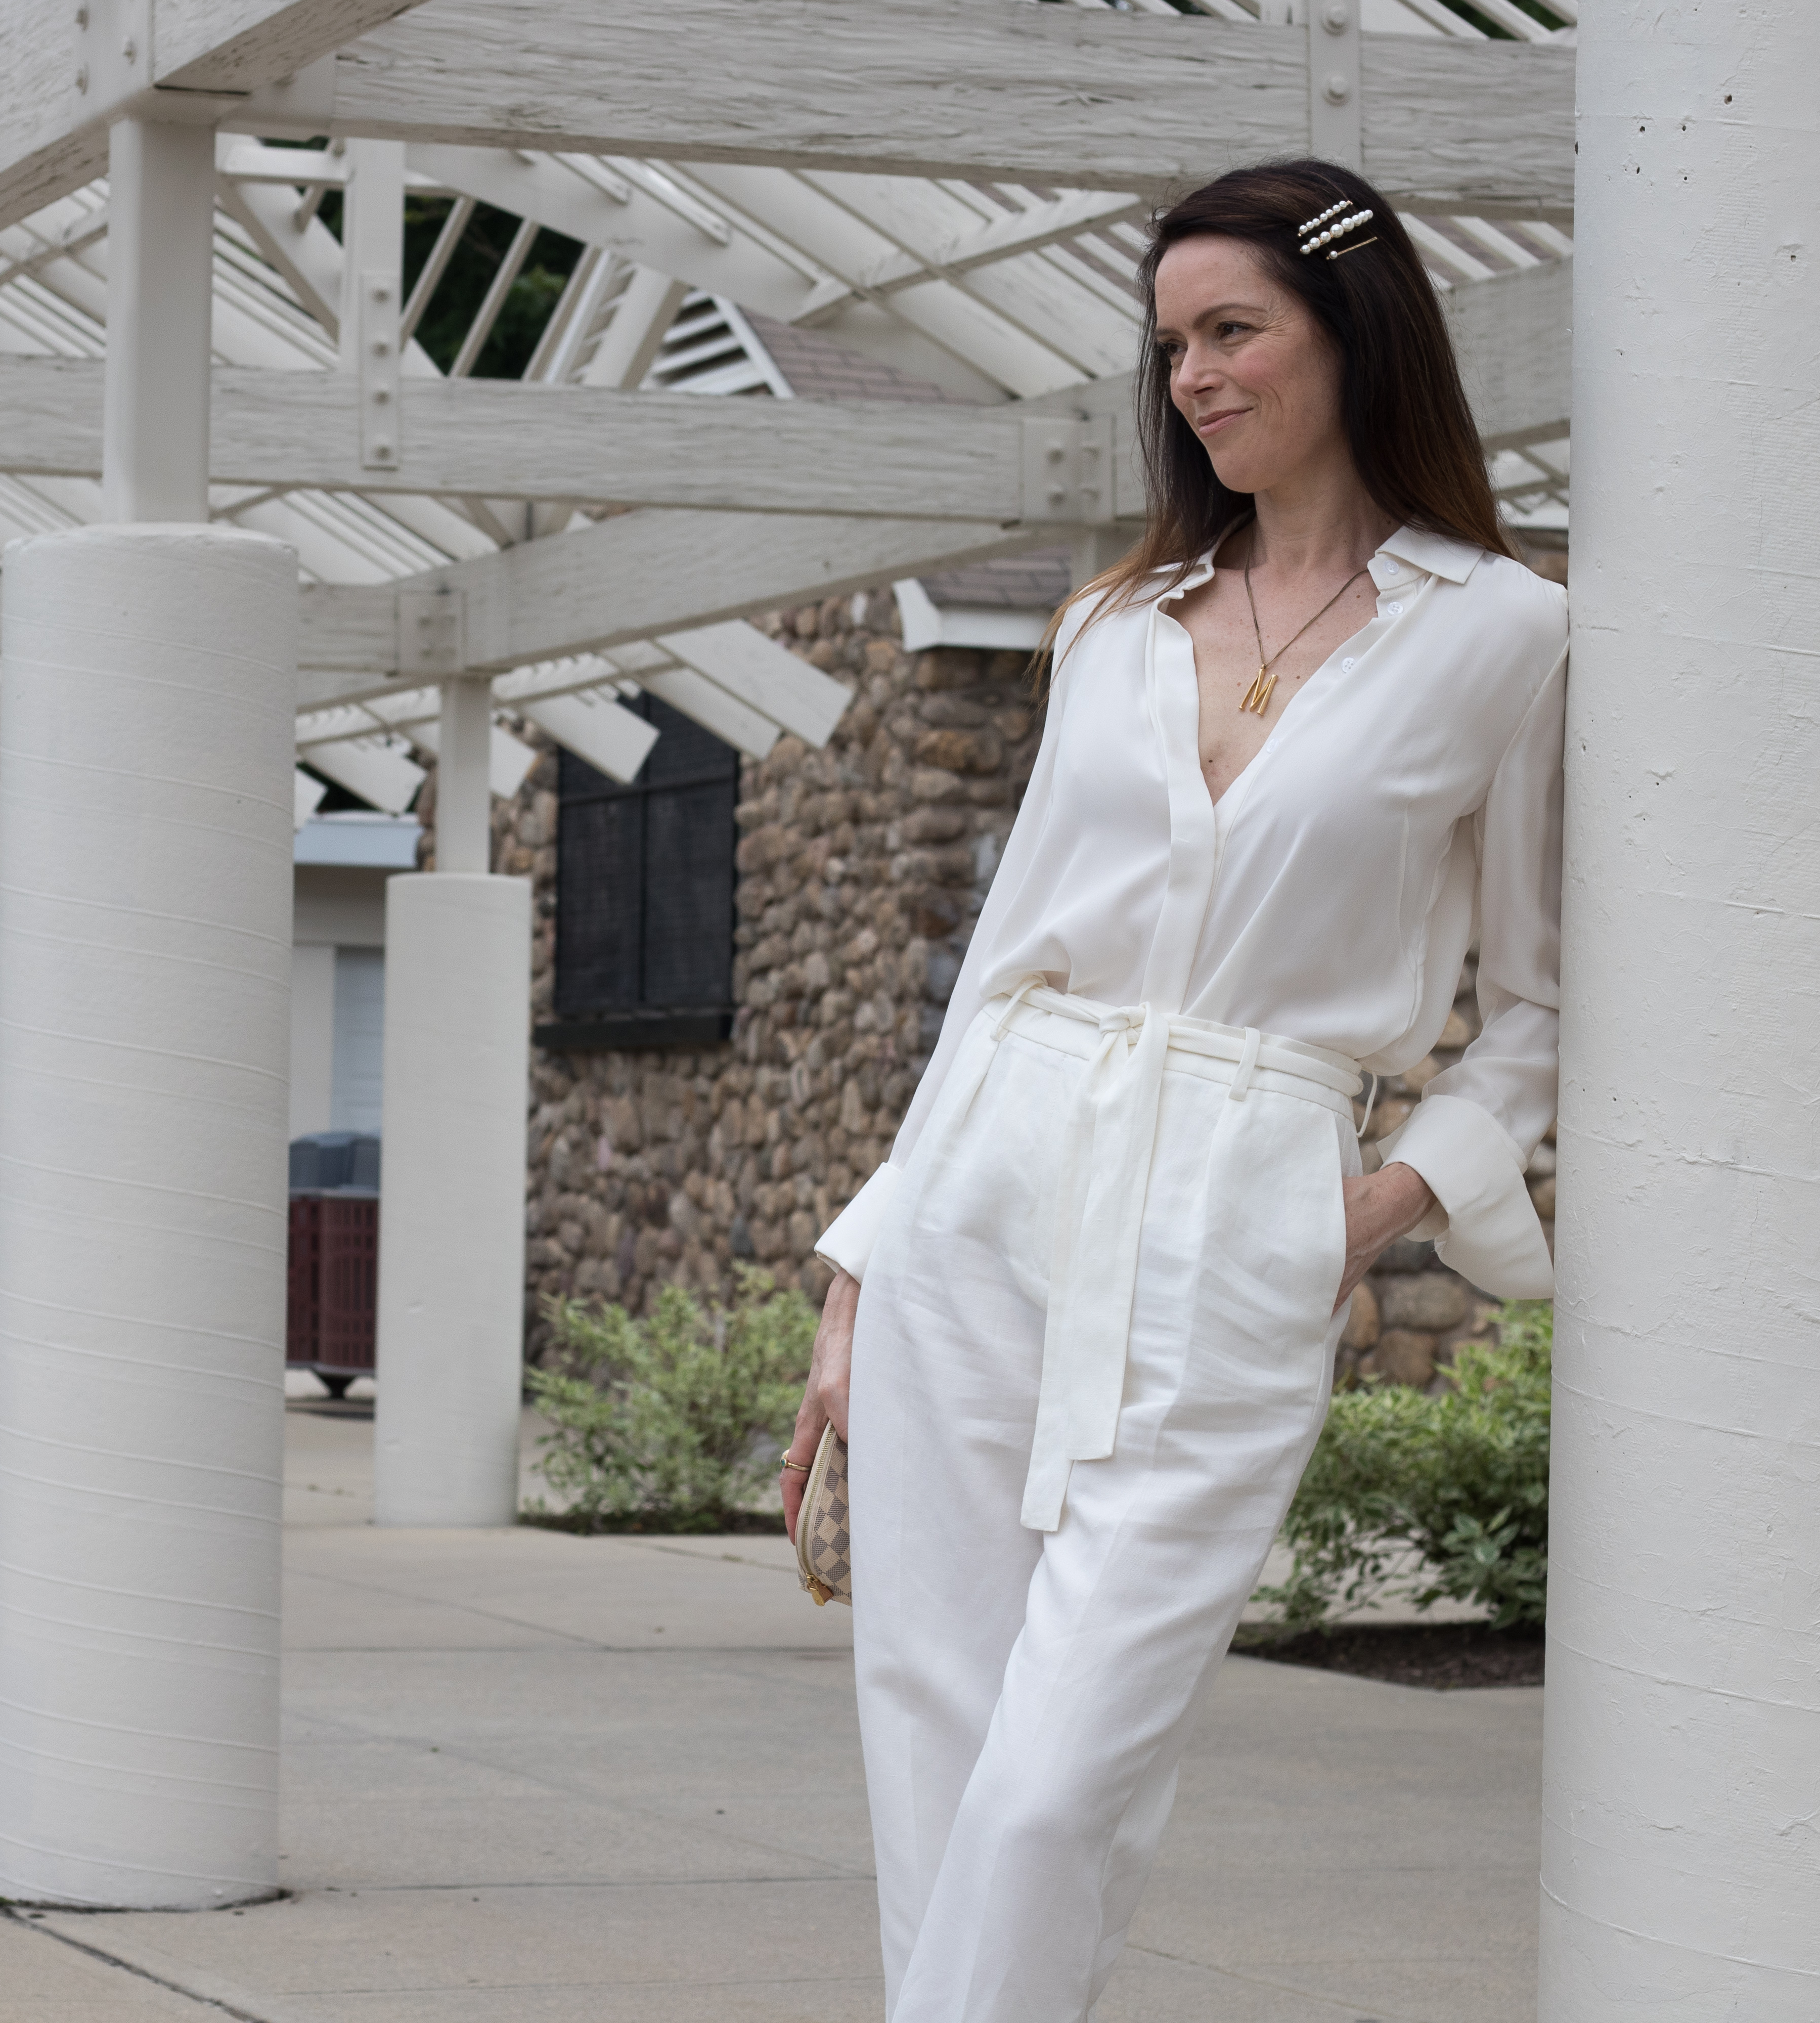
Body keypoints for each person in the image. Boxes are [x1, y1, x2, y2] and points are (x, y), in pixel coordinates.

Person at [780, 157, 1567, 2021]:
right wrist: (860, 1270)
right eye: (1171, 348)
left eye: (1234, 332)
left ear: (1352, 335)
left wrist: (1378, 1203)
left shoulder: (1509, 635)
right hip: (987, 1193)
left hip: (1242, 1198)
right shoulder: (1114, 625)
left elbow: (1539, 1007)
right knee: (940, 1748)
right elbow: (998, 971)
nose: (1195, 379)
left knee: (1057, 1790)